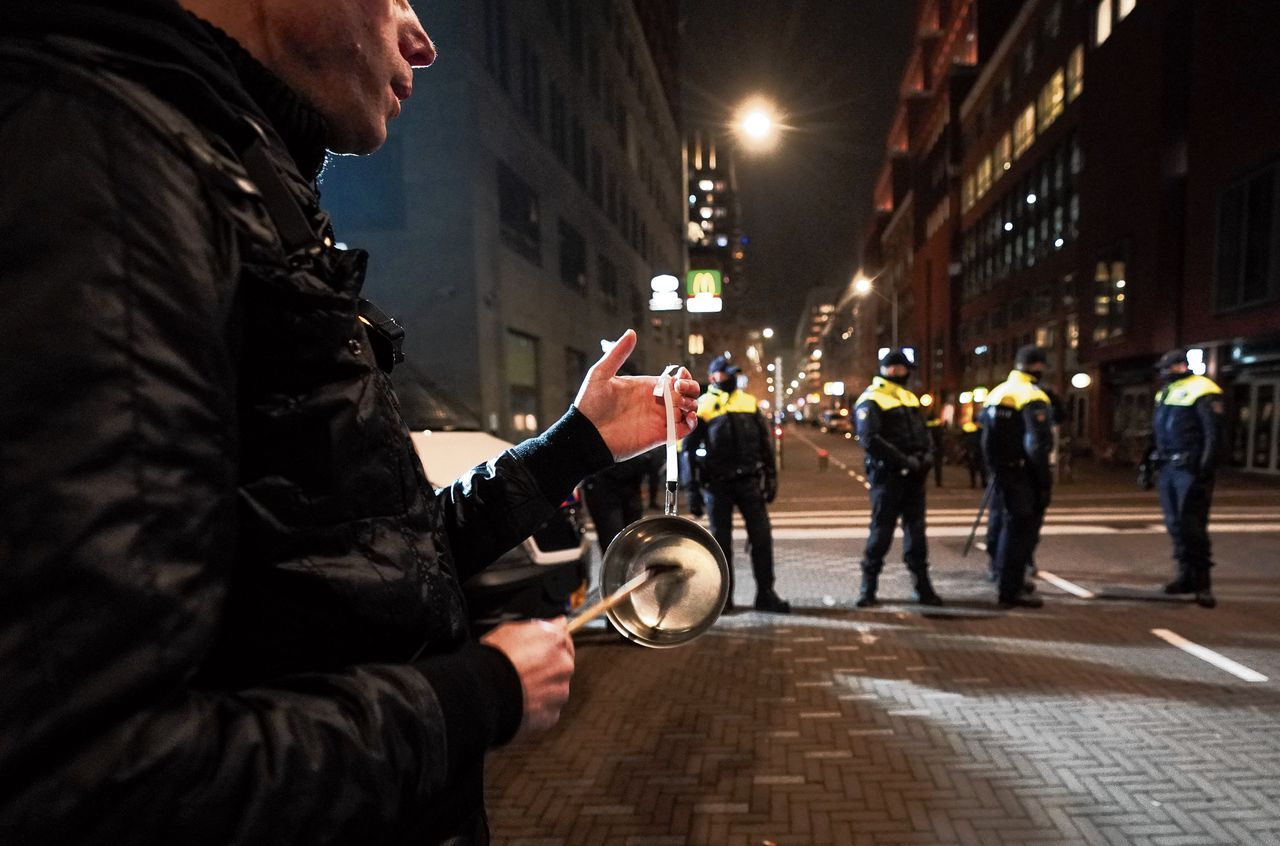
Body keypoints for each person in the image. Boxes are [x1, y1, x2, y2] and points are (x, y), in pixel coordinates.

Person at [0, 3, 702, 843]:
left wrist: (574, 447)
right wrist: (474, 694)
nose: (422, 39)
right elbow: (96, 775)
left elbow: (353, 566)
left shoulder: (218, 170)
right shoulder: (104, 168)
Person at [683, 356, 791, 613]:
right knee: (720, 545)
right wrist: (693, 489)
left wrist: (771, 476)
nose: (730, 378)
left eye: (732, 374)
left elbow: (765, 444)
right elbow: (686, 451)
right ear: (712, 378)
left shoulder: (748, 402)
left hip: (749, 482)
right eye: (724, 374)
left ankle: (766, 594)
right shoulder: (703, 405)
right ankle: (724, 598)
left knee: (762, 539)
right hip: (716, 485)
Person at [852, 350, 944, 607]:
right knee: (881, 532)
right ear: (892, 370)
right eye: (905, 369)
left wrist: (926, 458)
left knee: (916, 533)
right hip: (888, 478)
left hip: (913, 477)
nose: (908, 374)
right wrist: (905, 461)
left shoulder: (908, 398)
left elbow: (924, 434)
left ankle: (923, 587)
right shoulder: (871, 399)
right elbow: (870, 440)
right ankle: (867, 588)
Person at [1137, 349, 1223, 608]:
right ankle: (1185, 577)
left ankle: (1203, 583)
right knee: (1175, 525)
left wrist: (1205, 469)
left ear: (1180, 366)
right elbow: (1157, 432)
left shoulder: (1204, 389)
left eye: (1168, 368)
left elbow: (1213, 435)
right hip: (1169, 468)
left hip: (1190, 469)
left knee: (1193, 527)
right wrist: (1147, 465)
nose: (1164, 373)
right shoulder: (1164, 392)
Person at [980, 345, 1054, 609]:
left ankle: (1003, 577)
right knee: (1020, 533)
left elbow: (985, 438)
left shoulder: (997, 393)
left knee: (1001, 527)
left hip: (1001, 472)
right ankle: (1010, 590)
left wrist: (993, 469)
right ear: (1039, 366)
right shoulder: (1031, 395)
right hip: (1024, 474)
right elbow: (1037, 443)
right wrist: (1043, 481)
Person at [583, 448, 662, 555]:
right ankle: (613, 570)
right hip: (603, 485)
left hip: (630, 484)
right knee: (612, 542)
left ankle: (628, 569)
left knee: (633, 541)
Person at [961, 421, 988, 489]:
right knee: (980, 469)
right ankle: (981, 483)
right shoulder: (982, 432)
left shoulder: (974, 431)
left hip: (975, 452)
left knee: (975, 469)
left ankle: (975, 483)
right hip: (977, 451)